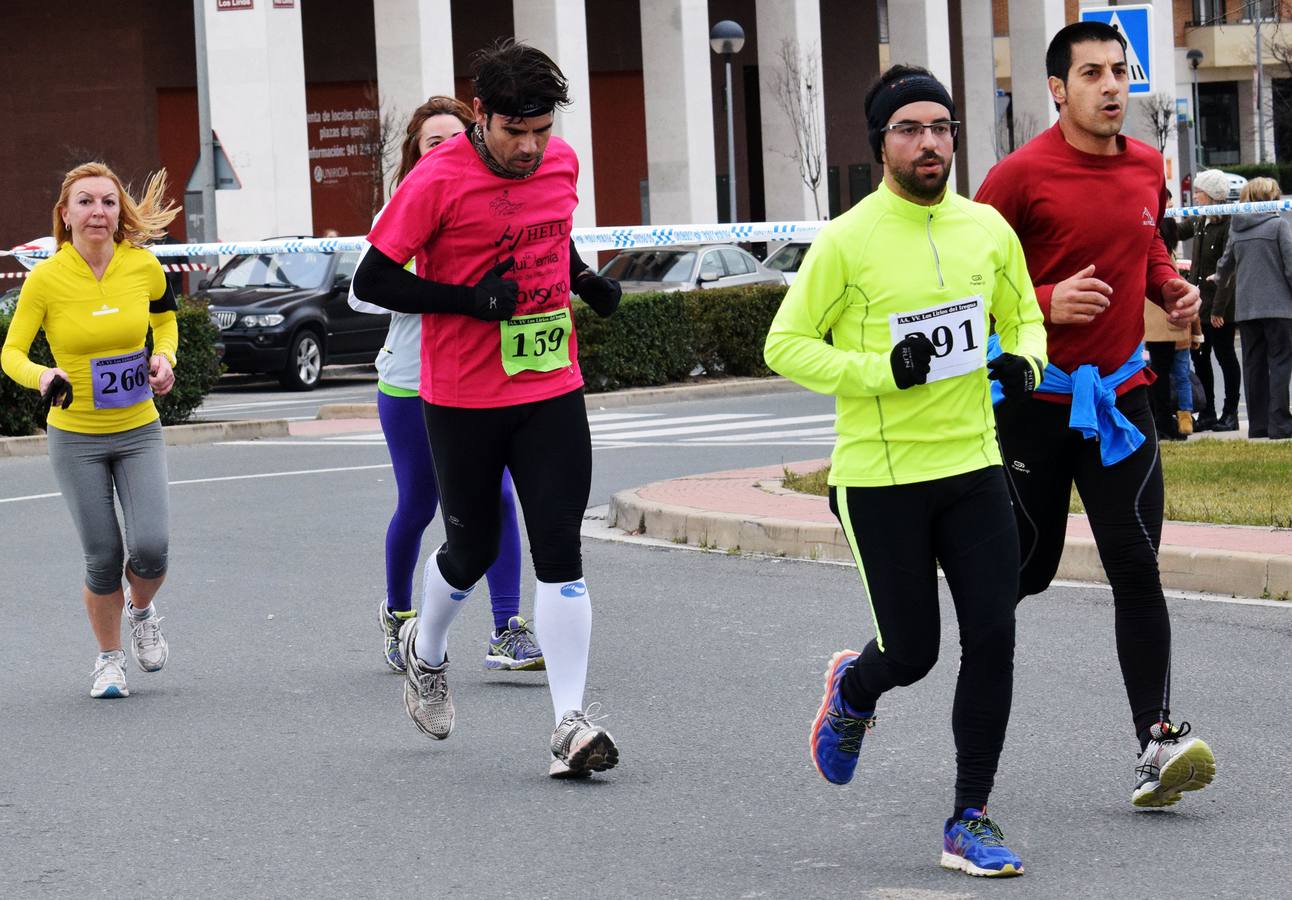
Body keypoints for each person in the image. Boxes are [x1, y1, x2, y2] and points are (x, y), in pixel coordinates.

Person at [765, 65, 1047, 878]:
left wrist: (1025, 359)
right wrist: (884, 367)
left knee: (994, 634)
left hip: (974, 465)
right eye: (910, 129)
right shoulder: (848, 239)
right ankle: (856, 688)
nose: (929, 142)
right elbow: (784, 345)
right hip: (881, 478)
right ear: (880, 142)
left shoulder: (987, 230)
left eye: (941, 127)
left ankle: (970, 817)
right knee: (914, 652)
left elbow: (1023, 314)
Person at [350, 40, 624, 778]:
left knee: (559, 545)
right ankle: (426, 651)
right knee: (470, 549)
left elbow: (548, 238)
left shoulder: (561, 163)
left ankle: (569, 722)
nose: (531, 147)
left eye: (541, 130)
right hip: (463, 394)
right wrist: (467, 301)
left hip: (551, 385)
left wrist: (586, 281)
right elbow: (374, 278)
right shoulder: (437, 179)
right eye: (514, 131)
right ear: (480, 114)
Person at [975, 20, 1215, 809]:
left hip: (1120, 399)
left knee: (1136, 564)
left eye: (1119, 71)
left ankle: (1156, 742)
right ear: (1056, 88)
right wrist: (1045, 301)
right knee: (1025, 571)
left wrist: (1171, 289)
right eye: (1092, 74)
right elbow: (967, 295)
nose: (1111, 86)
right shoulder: (1015, 179)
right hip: (1032, 408)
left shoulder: (1149, 166)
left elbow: (1142, 252)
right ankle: (904, 657)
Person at [349, 95, 543, 675]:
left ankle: (506, 628)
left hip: (483, 378)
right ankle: (400, 616)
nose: (446, 150)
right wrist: (436, 281)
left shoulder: (489, 204)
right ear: (415, 155)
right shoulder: (402, 211)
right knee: (420, 503)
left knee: (502, 498)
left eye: (455, 139)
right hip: (411, 382)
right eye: (433, 142)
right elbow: (362, 291)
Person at [1, 162, 180, 699]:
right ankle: (109, 661)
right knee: (103, 556)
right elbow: (10, 352)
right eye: (85, 201)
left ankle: (142, 609)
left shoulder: (143, 266)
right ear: (66, 213)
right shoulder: (46, 278)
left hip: (138, 428)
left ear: (118, 212)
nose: (97, 211)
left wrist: (165, 356)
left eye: (106, 201)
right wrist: (43, 375)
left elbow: (165, 319)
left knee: (150, 549)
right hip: (75, 435)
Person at [1215, 177, 1292, 439]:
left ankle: (1258, 425)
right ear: (1270, 198)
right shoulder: (1279, 225)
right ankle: (1280, 424)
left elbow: (1224, 265)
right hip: (1279, 307)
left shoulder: (1237, 228)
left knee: (1253, 365)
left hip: (1247, 309)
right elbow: (1291, 267)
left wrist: (1218, 280)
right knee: (1280, 363)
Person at [1179, 169, 1240, 432]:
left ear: (1212, 195)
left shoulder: (1227, 225)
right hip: (1199, 306)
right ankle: (1208, 412)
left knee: (1225, 357)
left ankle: (1231, 412)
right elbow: (1177, 230)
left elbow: (1228, 271)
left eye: (1199, 192)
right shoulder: (1200, 220)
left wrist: (1219, 309)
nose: (1195, 197)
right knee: (1201, 358)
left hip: (1220, 307)